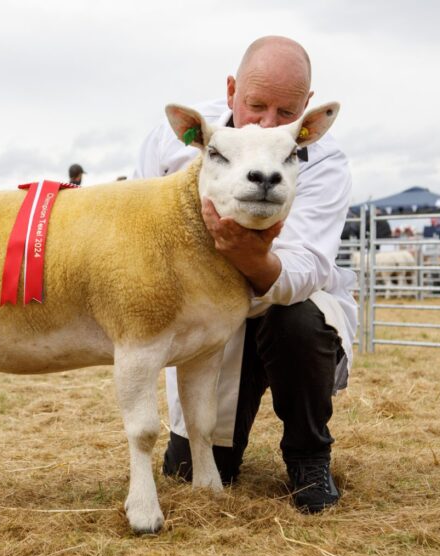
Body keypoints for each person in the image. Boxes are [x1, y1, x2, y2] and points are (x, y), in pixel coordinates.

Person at [133, 36, 356, 513]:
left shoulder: (325, 160)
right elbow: (142, 221)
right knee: (193, 473)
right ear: (232, 90)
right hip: (207, 315)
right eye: (256, 106)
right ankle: (211, 443)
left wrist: (247, 255)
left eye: (286, 111)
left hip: (280, 306)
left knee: (298, 318)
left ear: (308, 111)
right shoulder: (179, 140)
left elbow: (309, 266)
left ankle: (308, 454)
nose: (269, 124)